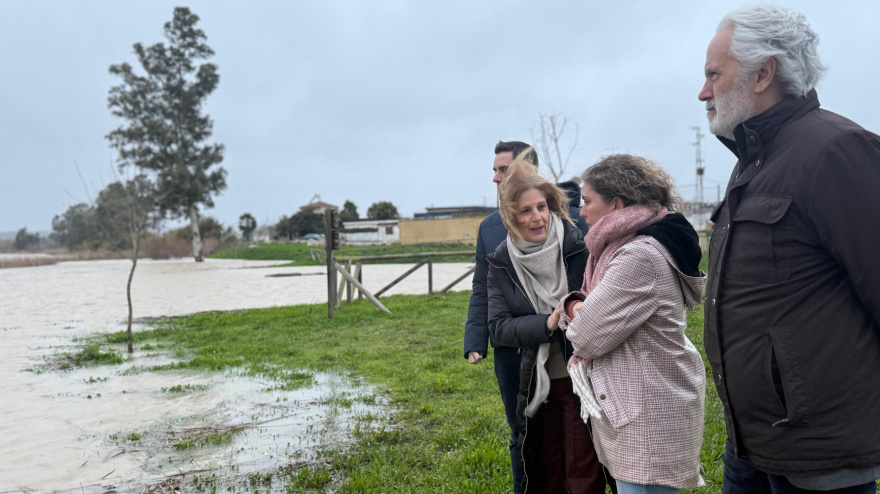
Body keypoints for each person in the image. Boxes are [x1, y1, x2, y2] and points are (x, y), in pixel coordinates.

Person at [699, 5, 880, 493]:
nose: (703, 91)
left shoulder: (836, 151)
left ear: (763, 73)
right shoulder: (754, 161)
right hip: (751, 446)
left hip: (820, 456)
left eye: (714, 74)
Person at [557, 154, 706, 493]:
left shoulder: (639, 256)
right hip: (645, 406)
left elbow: (585, 336)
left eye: (587, 201)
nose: (581, 211)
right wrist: (582, 304)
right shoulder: (622, 248)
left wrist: (575, 305)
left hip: (649, 417)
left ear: (616, 204)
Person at [463, 140, 588, 493]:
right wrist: (476, 339)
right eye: (494, 170)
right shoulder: (490, 228)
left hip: (570, 351)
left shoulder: (572, 223)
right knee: (523, 434)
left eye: (502, 169)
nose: (495, 177)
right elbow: (482, 287)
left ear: (526, 171)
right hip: (516, 351)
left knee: (579, 444)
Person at [486, 154, 606, 494]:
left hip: (582, 377)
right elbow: (498, 328)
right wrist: (548, 322)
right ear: (511, 216)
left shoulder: (579, 244)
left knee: (584, 472)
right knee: (548, 471)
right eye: (526, 210)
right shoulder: (500, 261)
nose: (537, 217)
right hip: (536, 384)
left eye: (541, 206)